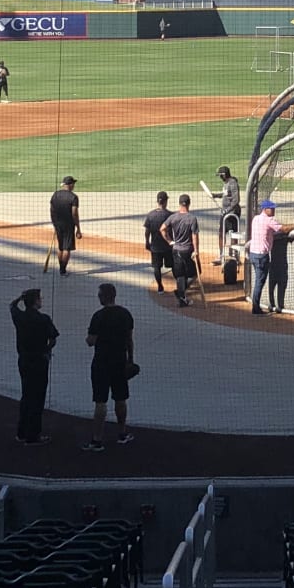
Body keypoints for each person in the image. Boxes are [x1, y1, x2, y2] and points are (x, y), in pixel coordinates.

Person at [84, 282, 136, 450]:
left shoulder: (98, 316)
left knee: (100, 402)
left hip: (101, 362)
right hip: (119, 361)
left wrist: (91, 336)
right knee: (121, 398)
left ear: (103, 297)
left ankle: (97, 439)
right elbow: (129, 339)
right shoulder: (125, 314)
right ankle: (122, 433)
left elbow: (91, 341)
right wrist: (130, 359)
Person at [9, 288, 57, 445]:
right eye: (39, 298)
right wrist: (47, 351)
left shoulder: (20, 317)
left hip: (24, 360)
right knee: (38, 397)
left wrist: (20, 298)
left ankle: (21, 431)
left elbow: (12, 306)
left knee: (26, 395)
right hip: (39, 361)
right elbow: (53, 339)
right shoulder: (44, 319)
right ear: (36, 301)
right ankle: (33, 435)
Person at [160, 194, 200, 307]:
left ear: (179, 203)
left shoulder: (173, 217)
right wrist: (196, 250)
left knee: (180, 275)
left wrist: (170, 241)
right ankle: (181, 293)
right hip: (188, 251)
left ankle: (181, 295)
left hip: (176, 250)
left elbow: (162, 229)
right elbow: (194, 236)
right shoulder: (192, 218)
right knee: (194, 274)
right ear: (189, 203)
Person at [247, 200, 285, 315]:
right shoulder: (269, 220)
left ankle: (256, 305)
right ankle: (256, 308)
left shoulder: (256, 219)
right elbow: (283, 229)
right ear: (265, 209)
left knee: (259, 280)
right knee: (260, 281)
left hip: (253, 254)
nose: (273, 210)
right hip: (261, 256)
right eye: (271, 208)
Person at [143, 191, 174, 293]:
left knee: (157, 267)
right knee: (173, 265)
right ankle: (179, 285)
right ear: (165, 201)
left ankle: (160, 287)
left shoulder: (150, 215)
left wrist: (147, 242)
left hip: (155, 246)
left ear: (157, 201)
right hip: (168, 246)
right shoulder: (170, 215)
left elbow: (147, 232)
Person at [49, 176, 80, 276]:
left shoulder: (55, 194)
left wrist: (54, 222)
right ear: (70, 185)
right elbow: (74, 213)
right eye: (73, 184)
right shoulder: (73, 197)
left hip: (58, 224)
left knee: (60, 247)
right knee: (67, 248)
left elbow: (52, 210)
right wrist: (78, 228)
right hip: (68, 225)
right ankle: (63, 270)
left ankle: (61, 267)